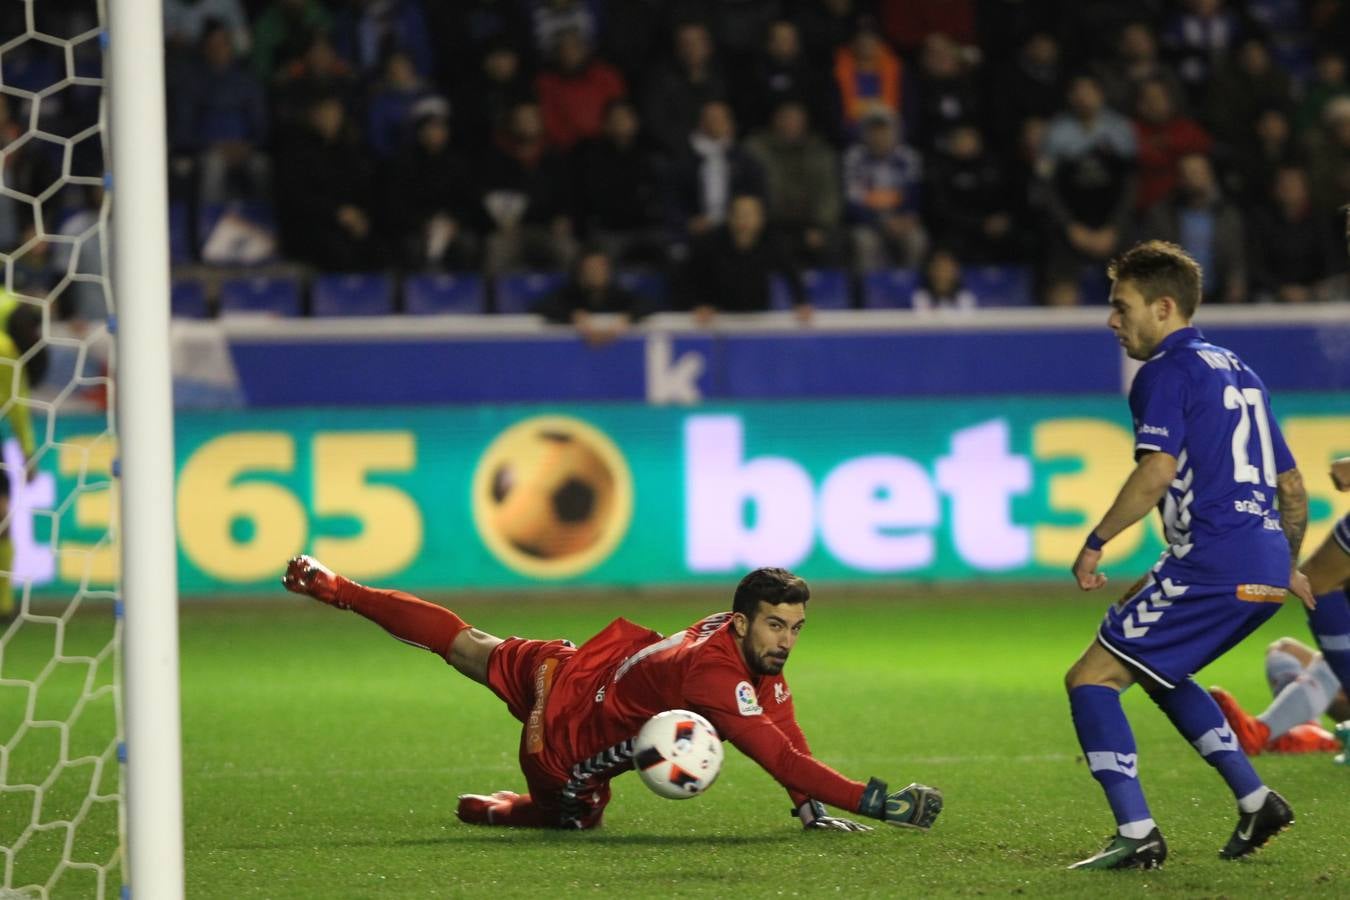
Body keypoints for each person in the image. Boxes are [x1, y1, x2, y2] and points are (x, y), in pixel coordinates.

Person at [281, 556, 944, 832]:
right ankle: (507, 811)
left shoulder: (734, 640)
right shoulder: (716, 680)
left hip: (567, 670)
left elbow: (779, 714)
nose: (787, 640)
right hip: (562, 747)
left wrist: (807, 809)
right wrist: (879, 803)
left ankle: (337, 588)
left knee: (464, 643)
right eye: (777, 626)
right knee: (576, 818)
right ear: (744, 622)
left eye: (797, 628)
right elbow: (781, 755)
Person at [1064, 240, 1315, 870]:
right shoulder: (1242, 372)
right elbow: (1291, 487)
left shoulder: (1165, 373)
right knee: (1160, 671)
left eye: (1122, 307)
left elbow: (1157, 471)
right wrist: (1283, 565)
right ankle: (1256, 799)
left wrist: (1096, 542)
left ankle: (1137, 831)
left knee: (1090, 679)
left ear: (1163, 307)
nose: (1112, 321)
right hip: (1259, 567)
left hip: (1215, 561)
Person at [0, 294, 43, 622]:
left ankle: (3, 605)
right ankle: (3, 605)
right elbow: (19, 403)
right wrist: (28, 453)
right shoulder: (6, 349)